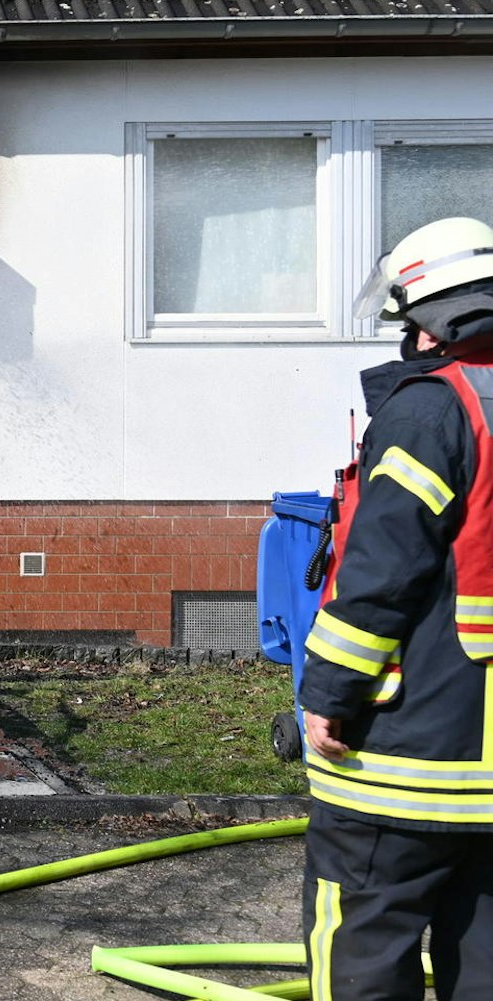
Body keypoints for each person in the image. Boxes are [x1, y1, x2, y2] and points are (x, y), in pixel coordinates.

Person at [303, 216, 493, 1000]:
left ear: (428, 319)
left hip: (407, 760)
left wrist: (327, 697)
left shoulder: (431, 411)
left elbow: (381, 574)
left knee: (365, 946)